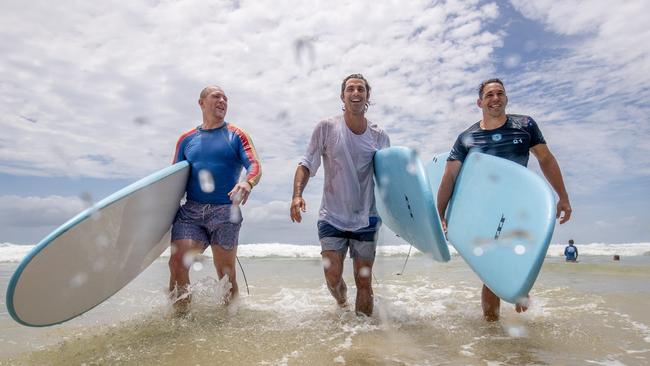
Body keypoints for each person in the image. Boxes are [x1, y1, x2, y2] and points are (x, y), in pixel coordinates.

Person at [437, 78, 572, 321]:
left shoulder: (525, 125)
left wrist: (563, 197)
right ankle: (492, 327)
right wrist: (440, 214)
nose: (495, 98)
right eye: (489, 95)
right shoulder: (467, 137)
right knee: (491, 273)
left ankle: (517, 290)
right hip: (486, 212)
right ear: (480, 102)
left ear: (506, 99)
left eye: (500, 93)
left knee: (520, 259)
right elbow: (449, 177)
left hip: (520, 207)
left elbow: (546, 160)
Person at [290, 74, 390, 316]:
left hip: (366, 218)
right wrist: (297, 195)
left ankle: (364, 337)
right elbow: (306, 163)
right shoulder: (326, 128)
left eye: (361, 89)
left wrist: (400, 216)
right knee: (332, 277)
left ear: (368, 96)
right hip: (332, 217)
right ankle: (343, 304)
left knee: (364, 281)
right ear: (342, 96)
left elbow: (389, 179)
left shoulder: (379, 136)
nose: (355, 93)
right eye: (350, 89)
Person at [169, 85, 261, 314]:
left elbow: (255, 165)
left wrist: (247, 182)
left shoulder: (236, 135)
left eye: (225, 98)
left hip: (225, 211)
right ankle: (180, 320)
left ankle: (230, 322)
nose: (222, 101)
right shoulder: (186, 139)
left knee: (226, 272)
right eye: (216, 96)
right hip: (190, 212)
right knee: (178, 263)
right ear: (201, 103)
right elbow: (173, 178)